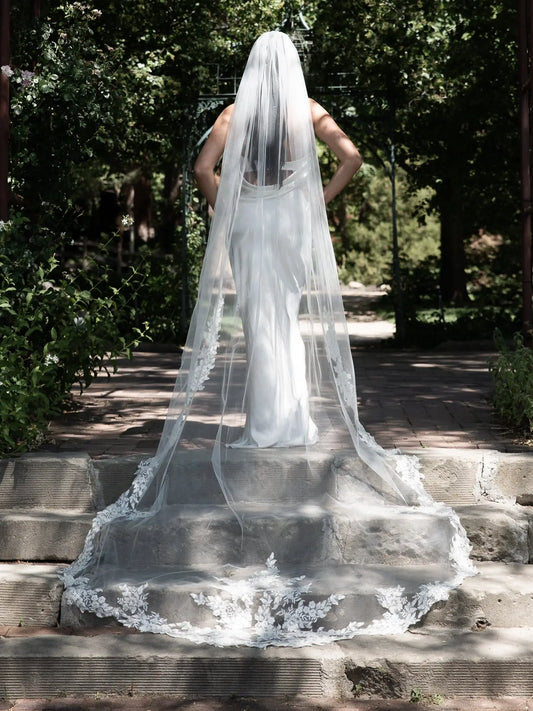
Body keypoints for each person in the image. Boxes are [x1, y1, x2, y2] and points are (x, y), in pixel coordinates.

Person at [60, 31, 475, 648]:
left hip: (253, 215)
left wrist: (227, 205)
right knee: (284, 314)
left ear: (254, 68)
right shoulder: (310, 114)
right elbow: (352, 156)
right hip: (290, 217)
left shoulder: (235, 115)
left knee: (259, 321)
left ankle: (267, 424)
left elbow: (203, 169)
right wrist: (317, 199)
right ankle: (291, 422)